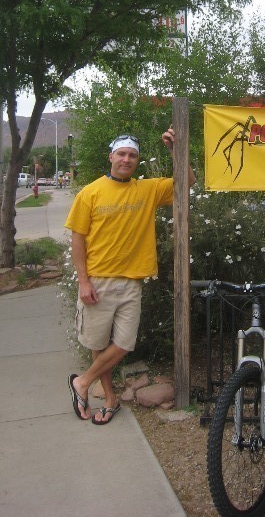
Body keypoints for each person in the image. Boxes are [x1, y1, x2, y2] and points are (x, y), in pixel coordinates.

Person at [65, 127, 195, 425]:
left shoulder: (146, 189)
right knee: (98, 343)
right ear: (111, 156)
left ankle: (81, 382)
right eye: (121, 154)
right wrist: (83, 281)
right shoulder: (90, 193)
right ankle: (110, 399)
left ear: (137, 161)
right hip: (98, 281)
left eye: (132, 155)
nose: (126, 159)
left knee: (123, 345)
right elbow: (77, 239)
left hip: (132, 282)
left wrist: (176, 151)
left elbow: (187, 182)